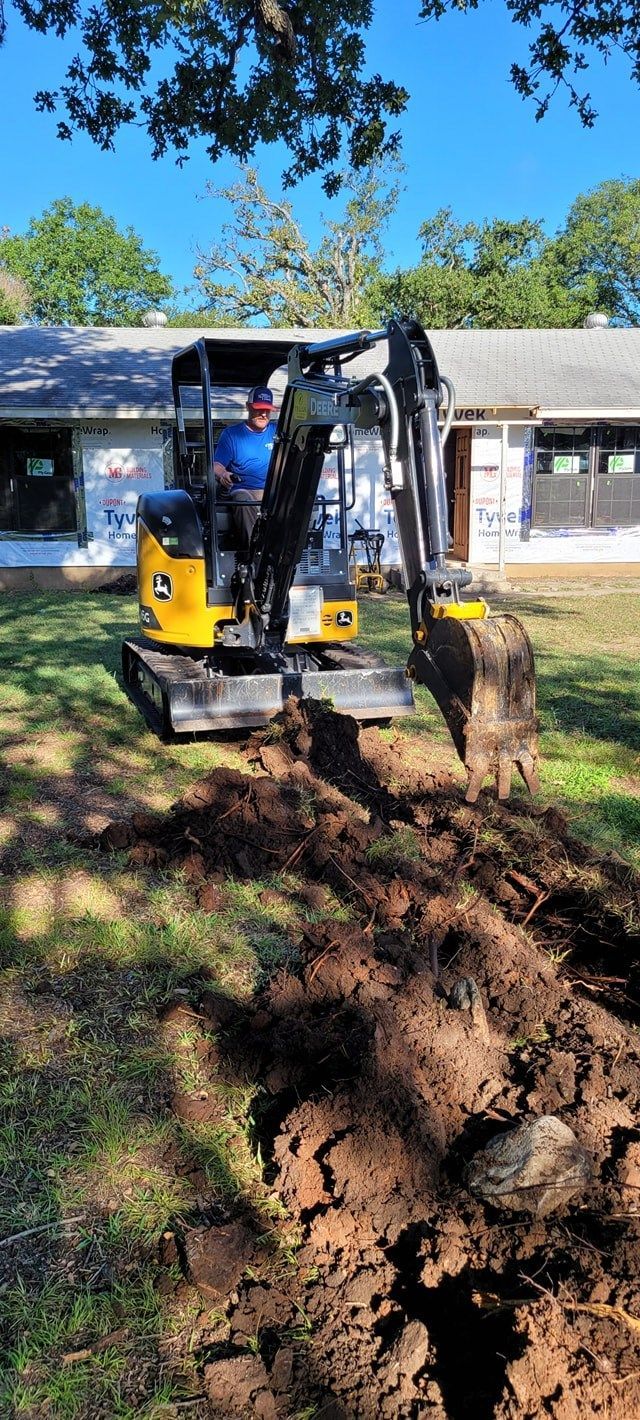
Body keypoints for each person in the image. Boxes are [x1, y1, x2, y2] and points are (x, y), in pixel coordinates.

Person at [213, 386, 276, 547]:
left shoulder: (278, 433)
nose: (263, 414)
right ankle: (254, 552)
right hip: (244, 489)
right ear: (248, 407)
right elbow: (217, 465)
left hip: (272, 491)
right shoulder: (232, 434)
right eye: (259, 409)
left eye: (267, 410)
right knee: (243, 500)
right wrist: (223, 475)